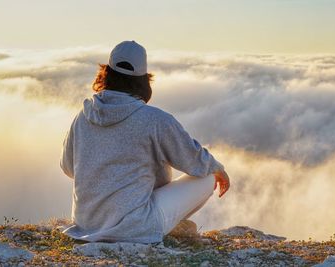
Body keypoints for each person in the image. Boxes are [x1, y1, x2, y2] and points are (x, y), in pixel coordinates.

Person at [59, 40, 230, 244]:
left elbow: (69, 168)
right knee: (208, 176)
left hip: (86, 224)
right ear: (143, 79)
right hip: (135, 227)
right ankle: (162, 226)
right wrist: (218, 169)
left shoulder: (82, 117)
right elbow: (194, 160)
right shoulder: (154, 119)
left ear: (107, 74)